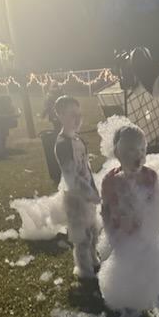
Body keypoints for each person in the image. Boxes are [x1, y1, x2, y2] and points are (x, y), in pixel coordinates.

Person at [99, 125, 159, 317]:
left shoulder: (150, 177)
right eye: (131, 150)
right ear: (117, 153)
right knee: (128, 272)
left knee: (154, 269)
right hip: (124, 237)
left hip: (148, 236)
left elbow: (157, 208)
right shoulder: (110, 181)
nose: (138, 155)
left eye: (142, 150)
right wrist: (112, 236)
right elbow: (106, 211)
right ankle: (129, 305)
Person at [54, 95, 100, 278]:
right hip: (74, 197)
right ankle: (84, 270)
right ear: (60, 115)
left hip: (87, 193)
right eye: (72, 114)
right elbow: (71, 175)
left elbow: (86, 167)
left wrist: (93, 188)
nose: (78, 118)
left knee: (92, 230)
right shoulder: (62, 144)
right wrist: (88, 193)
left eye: (79, 113)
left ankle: (94, 258)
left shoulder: (78, 140)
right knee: (81, 237)